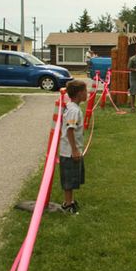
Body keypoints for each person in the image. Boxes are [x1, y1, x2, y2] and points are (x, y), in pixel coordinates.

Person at [59, 80, 88, 214]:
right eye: (85, 91)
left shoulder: (72, 107)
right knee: (69, 180)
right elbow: (70, 130)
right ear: (79, 93)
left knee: (73, 178)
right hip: (69, 152)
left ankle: (70, 201)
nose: (87, 94)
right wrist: (75, 150)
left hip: (72, 150)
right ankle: (68, 205)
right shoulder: (73, 111)